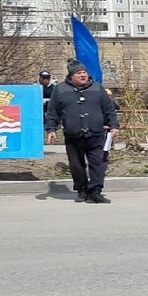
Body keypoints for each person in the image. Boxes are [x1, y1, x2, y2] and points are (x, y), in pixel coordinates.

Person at [45, 60, 119, 203]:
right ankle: (82, 190)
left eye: (84, 72)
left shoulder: (97, 88)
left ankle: (95, 191)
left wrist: (114, 126)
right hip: (73, 134)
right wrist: (51, 129)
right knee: (76, 165)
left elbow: (109, 109)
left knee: (99, 163)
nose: (83, 75)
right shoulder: (60, 89)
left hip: (96, 133)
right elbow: (52, 111)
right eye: (79, 73)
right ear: (71, 75)